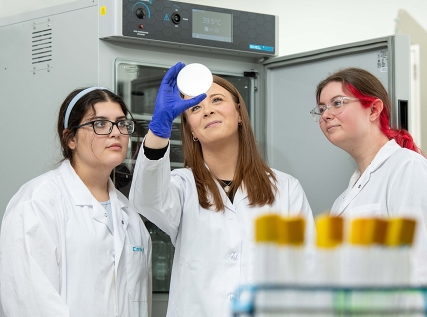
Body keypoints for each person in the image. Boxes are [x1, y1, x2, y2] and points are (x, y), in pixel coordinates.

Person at [129, 62, 315, 317]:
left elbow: (305, 271)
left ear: (239, 114)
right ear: (191, 130)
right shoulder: (182, 187)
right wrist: (158, 129)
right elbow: (146, 198)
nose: (207, 110)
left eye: (217, 100)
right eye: (195, 107)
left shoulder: (285, 189)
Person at [0, 87, 152, 317]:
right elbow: (30, 304)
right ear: (70, 138)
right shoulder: (37, 202)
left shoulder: (130, 215)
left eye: (121, 123)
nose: (115, 132)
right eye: (99, 123)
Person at [311, 67, 427, 285]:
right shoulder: (342, 201)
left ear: (373, 109)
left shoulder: (407, 168)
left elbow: (422, 272)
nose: (326, 114)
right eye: (321, 108)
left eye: (337, 103)